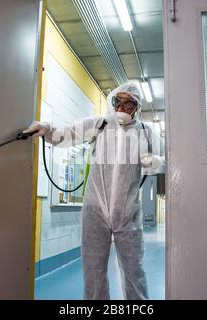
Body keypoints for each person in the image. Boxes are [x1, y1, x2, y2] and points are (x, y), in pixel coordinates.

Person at [23, 82, 165, 300]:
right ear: (113, 102)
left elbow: (166, 161)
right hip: (94, 210)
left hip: (127, 213)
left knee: (134, 271)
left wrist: (151, 161)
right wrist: (47, 129)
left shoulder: (146, 133)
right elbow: (67, 133)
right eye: (119, 102)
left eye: (129, 104)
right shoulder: (100, 125)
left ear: (137, 106)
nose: (122, 108)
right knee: (93, 270)